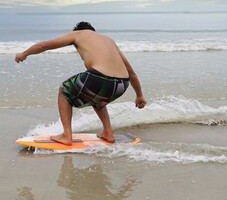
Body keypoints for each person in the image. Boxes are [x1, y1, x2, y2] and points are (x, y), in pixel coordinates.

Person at [15, 21, 146, 146]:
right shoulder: (108, 40)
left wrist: (25, 53)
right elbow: (131, 73)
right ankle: (108, 133)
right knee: (97, 98)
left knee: (64, 90)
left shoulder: (78, 34)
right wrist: (139, 95)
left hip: (100, 78)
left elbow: (44, 45)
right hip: (122, 84)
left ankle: (66, 135)